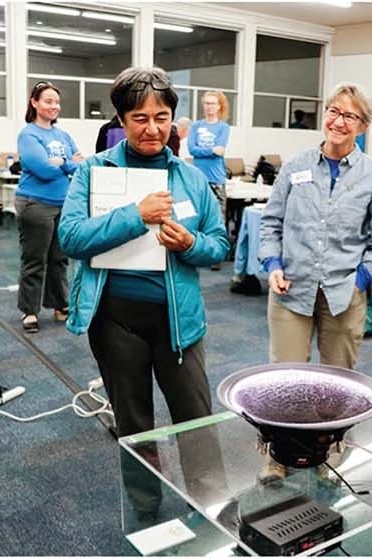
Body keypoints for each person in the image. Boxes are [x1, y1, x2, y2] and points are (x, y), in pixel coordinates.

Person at [58, 66, 228, 517]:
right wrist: (136, 214)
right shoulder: (94, 171)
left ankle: (210, 502)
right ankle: (145, 505)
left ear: (174, 117)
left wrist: (190, 244)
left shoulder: (190, 177)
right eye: (139, 117)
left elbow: (219, 244)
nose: (152, 128)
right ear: (121, 120)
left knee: (196, 419)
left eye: (162, 116)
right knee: (134, 423)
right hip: (116, 319)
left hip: (179, 320)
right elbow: (70, 238)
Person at [259, 82, 372, 369]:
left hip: (344, 295)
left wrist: (360, 281)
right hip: (291, 289)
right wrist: (273, 265)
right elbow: (271, 222)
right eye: (333, 111)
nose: (338, 121)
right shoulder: (295, 167)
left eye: (349, 116)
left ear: (363, 126)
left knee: (337, 385)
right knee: (286, 381)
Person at [15, 81, 83, 334]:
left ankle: (59, 305)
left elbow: (80, 164)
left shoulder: (63, 135)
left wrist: (60, 162)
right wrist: (66, 163)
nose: (54, 106)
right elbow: (42, 169)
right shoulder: (28, 134)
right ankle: (30, 311)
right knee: (35, 260)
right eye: (48, 101)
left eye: (56, 101)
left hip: (63, 203)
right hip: (35, 204)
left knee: (59, 259)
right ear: (35, 103)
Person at [188, 91, 230, 270]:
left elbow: (220, 150)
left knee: (218, 218)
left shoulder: (223, 127)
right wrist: (211, 151)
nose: (209, 107)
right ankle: (196, 252)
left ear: (219, 106)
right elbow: (192, 150)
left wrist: (205, 150)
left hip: (217, 178)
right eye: (206, 103)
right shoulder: (195, 126)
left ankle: (216, 256)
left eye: (213, 103)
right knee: (195, 216)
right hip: (198, 179)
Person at [96, 114, 180, 155]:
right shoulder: (171, 132)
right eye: (140, 119)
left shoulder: (105, 128)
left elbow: (99, 152)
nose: (152, 131)